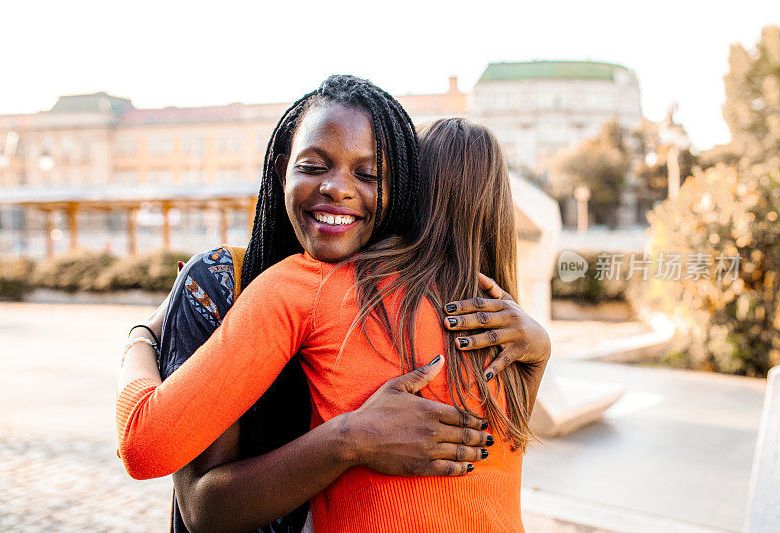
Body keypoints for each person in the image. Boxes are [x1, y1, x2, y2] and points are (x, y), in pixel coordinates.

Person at [119, 75, 550, 532]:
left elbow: (144, 446)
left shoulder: (312, 287)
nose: (338, 189)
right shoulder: (509, 334)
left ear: (405, 191)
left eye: (368, 174)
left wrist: (141, 336)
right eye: (315, 166)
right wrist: (541, 349)